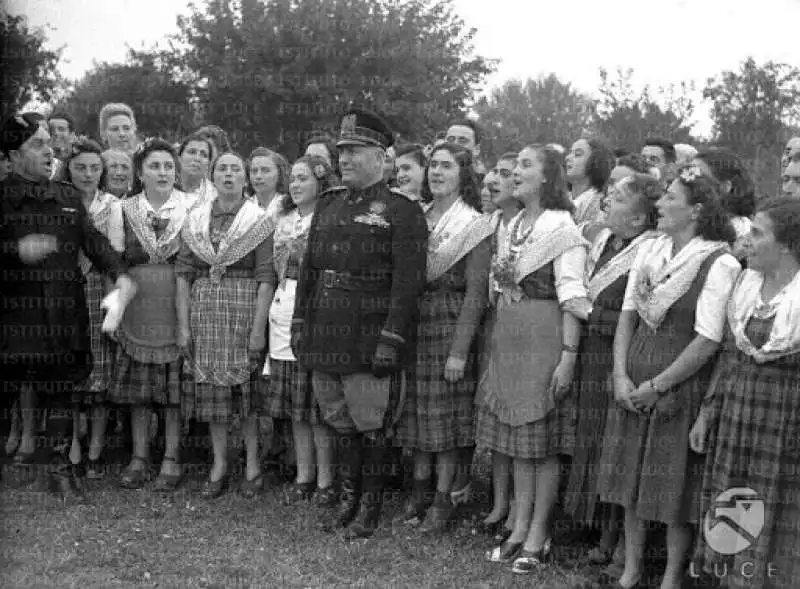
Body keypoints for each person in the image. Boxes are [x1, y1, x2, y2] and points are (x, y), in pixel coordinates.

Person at [597, 164, 741, 589]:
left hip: (679, 382)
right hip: (634, 372)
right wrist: (621, 376)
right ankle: (630, 572)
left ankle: (671, 578)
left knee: (673, 486)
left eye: (670, 198)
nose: (659, 203)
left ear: (696, 210)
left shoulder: (719, 261)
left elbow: (708, 340)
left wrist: (657, 386)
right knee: (630, 478)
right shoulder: (650, 250)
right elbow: (628, 316)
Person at [292, 108, 428, 540]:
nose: (344, 158)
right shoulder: (329, 203)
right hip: (326, 329)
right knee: (339, 420)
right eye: (342, 150)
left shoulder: (401, 210)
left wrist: (391, 338)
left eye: (354, 151)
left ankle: (369, 507)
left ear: (380, 157)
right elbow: (310, 268)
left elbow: (407, 285)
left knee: (372, 423)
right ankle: (348, 498)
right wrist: (300, 319)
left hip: (370, 336)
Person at [0, 112, 136, 497]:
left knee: (62, 389)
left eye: (49, 142)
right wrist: (14, 250)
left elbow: (94, 242)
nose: (50, 150)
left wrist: (120, 274)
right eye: (38, 144)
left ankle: (60, 468)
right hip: (14, 317)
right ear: (12, 155)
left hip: (63, 312)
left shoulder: (66, 196)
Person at [477, 145, 589, 573]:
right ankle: (519, 526)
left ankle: (539, 535)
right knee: (518, 445)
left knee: (541, 448)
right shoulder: (516, 223)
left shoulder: (562, 227)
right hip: (510, 339)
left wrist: (568, 357)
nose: (515, 172)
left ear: (548, 177)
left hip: (545, 340)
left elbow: (572, 297)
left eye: (525, 165)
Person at [691, 197, 800, 589]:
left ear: (786, 244)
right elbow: (729, 356)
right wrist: (708, 411)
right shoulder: (746, 284)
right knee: (735, 500)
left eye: (757, 233)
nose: (746, 240)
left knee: (776, 507)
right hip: (739, 416)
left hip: (785, 424)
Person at [563, 174, 660, 573]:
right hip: (591, 354)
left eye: (618, 199)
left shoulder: (649, 251)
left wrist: (589, 313)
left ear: (638, 220)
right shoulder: (605, 241)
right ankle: (593, 526)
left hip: (618, 356)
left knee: (613, 448)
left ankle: (616, 538)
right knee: (589, 439)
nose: (607, 201)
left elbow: (637, 314)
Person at [395, 144, 494, 533]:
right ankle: (418, 491)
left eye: (446, 166)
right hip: (416, 323)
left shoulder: (475, 224)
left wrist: (458, 352)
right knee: (418, 414)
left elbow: (476, 294)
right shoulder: (416, 216)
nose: (436, 172)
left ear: (463, 174)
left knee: (447, 422)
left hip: (450, 321)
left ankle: (442, 499)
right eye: (433, 165)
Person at [176, 152, 275, 499]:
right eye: (223, 169)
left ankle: (251, 464)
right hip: (205, 311)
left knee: (245, 397)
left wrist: (258, 330)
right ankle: (219, 463)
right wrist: (183, 325)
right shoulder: (196, 218)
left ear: (245, 178)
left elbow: (266, 279)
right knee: (213, 398)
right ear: (213, 176)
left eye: (236, 169)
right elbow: (183, 275)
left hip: (244, 308)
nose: (229, 175)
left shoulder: (258, 220)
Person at [108, 139, 193, 492]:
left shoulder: (192, 206)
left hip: (176, 303)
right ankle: (140, 457)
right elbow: (112, 265)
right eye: (154, 166)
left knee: (172, 392)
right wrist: (113, 313)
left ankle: (172, 457)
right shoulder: (122, 209)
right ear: (140, 173)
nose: (162, 172)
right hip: (137, 305)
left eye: (168, 166)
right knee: (140, 391)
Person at [262, 155, 338, 504]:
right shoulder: (283, 219)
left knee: (317, 404)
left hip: (316, 308)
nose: (295, 184)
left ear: (320, 182)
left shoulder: (331, 219)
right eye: (292, 178)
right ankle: (303, 474)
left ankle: (326, 478)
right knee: (296, 403)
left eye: (303, 178)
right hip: (283, 304)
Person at [63, 138, 126, 479]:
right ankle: (73, 443)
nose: (88, 174)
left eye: (94, 168)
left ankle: (97, 448)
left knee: (101, 372)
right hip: (66, 291)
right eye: (80, 167)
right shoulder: (60, 200)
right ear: (68, 169)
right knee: (72, 370)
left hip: (100, 288)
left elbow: (114, 253)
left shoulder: (111, 205)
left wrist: (113, 308)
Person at [693, 148, 756, 258]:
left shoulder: (744, 233)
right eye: (688, 174)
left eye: (699, 177)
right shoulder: (685, 223)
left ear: (725, 187)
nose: (689, 182)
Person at [566, 138, 615, 227]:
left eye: (577, 154)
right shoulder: (560, 200)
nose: (567, 158)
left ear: (595, 162)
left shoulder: (602, 206)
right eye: (570, 153)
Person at [247, 147, 290, 219]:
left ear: (279, 173)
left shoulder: (288, 206)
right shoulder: (243, 208)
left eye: (265, 170)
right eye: (254, 171)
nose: (258, 176)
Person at [178, 134, 216, 204]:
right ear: (179, 157)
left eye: (203, 155)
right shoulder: (161, 187)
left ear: (208, 164)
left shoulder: (215, 197)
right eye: (192, 152)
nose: (197, 158)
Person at [47, 109, 76, 180]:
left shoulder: (82, 159)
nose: (56, 133)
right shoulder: (41, 161)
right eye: (51, 130)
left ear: (72, 135)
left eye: (61, 129)